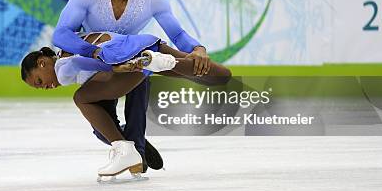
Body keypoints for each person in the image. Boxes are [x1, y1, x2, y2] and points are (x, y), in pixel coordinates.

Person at [52, 0, 213, 172]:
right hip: (101, 66)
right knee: (102, 130)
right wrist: (96, 52)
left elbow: (177, 33)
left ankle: (136, 145)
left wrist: (198, 49)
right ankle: (135, 144)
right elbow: (61, 34)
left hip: (136, 60)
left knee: (141, 77)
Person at [22, 32, 231, 178]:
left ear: (42, 62)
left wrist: (115, 67)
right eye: (40, 88)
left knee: (81, 99)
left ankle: (126, 146)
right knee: (219, 76)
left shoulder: (61, 67)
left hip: (128, 61)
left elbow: (82, 63)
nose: (46, 87)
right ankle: (163, 63)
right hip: (147, 43)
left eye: (40, 81)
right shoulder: (71, 42)